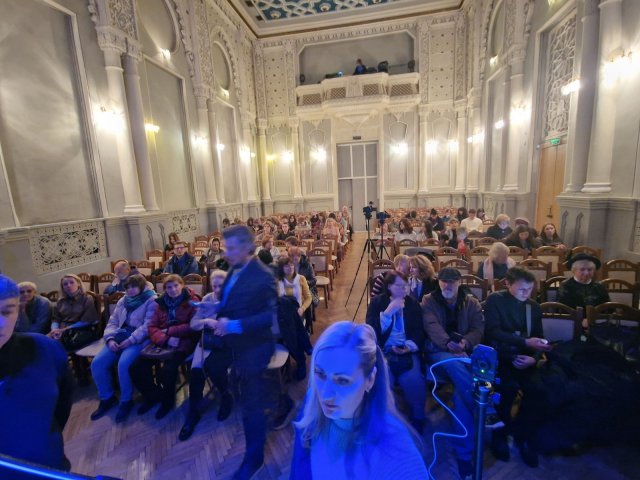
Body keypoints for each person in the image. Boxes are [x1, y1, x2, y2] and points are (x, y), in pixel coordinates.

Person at [289, 321, 428, 479]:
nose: (325, 395)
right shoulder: (311, 404)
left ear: (370, 380)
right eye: (320, 374)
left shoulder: (396, 453)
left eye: (342, 381)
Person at [207, 225, 286, 480]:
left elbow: (268, 318)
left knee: (252, 408)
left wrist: (232, 325)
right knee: (251, 394)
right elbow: (232, 302)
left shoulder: (264, 275)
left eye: (231, 248)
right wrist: (212, 310)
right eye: (225, 247)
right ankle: (285, 403)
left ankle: (254, 460)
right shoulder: (233, 267)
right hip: (237, 346)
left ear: (246, 247)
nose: (226, 252)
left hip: (256, 348)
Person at [0, 275, 73, 471]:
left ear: (18, 310)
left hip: (49, 464)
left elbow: (62, 404)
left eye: (6, 312)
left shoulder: (45, 349)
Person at [484, 267, 553, 468]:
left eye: (530, 289)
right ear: (508, 284)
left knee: (539, 391)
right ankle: (500, 434)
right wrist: (525, 342)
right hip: (503, 357)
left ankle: (523, 434)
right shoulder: (495, 300)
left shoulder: (533, 307)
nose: (527, 293)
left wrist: (534, 358)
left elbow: (540, 338)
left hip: (526, 358)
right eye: (522, 289)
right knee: (506, 390)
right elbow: (492, 332)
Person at [421, 267, 485, 479]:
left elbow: (477, 328)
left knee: (460, 396)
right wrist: (449, 344)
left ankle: (465, 454)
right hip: (439, 353)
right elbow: (431, 326)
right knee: (457, 364)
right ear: (439, 281)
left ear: (459, 282)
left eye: (452, 281)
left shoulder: (471, 302)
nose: (447, 285)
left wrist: (465, 342)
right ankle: (484, 407)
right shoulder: (429, 300)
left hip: (465, 354)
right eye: (443, 281)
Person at [129, 274, 199, 419]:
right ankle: (153, 396)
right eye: (169, 287)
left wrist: (170, 331)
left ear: (182, 285)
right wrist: (166, 338)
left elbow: (193, 326)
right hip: (162, 342)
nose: (173, 290)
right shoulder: (160, 303)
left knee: (167, 371)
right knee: (136, 368)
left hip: (183, 342)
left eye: (176, 285)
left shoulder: (192, 301)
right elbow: (152, 327)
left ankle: (167, 402)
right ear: (165, 289)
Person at [90, 274, 157, 423]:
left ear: (141, 286)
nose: (130, 290)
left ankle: (126, 400)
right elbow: (113, 322)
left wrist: (131, 340)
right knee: (97, 363)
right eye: (128, 287)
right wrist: (110, 339)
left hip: (139, 339)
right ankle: (107, 397)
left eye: (134, 286)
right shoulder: (123, 300)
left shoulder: (151, 300)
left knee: (123, 364)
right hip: (119, 337)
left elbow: (148, 326)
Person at [366, 271, 427, 432]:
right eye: (399, 286)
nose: (404, 289)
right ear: (389, 287)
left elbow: (419, 332)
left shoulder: (413, 304)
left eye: (406, 286)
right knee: (383, 379)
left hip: (406, 350)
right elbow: (371, 331)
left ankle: (418, 416)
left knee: (414, 380)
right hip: (383, 349)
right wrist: (387, 313)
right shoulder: (377, 303)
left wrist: (408, 346)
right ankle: (384, 418)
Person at [179, 270, 234, 441]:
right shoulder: (208, 299)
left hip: (228, 344)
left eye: (221, 286)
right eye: (214, 286)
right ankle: (193, 413)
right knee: (196, 372)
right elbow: (194, 324)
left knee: (215, 369)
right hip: (208, 342)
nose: (217, 289)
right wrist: (206, 321)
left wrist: (227, 327)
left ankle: (226, 395)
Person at [276, 256, 313, 380]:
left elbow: (308, 297)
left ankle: (300, 359)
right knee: (284, 302)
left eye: (292, 265)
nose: (290, 267)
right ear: (281, 268)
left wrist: (302, 308)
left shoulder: (301, 279)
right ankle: (304, 349)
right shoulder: (277, 282)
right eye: (287, 266)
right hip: (285, 316)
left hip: (299, 313)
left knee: (289, 333)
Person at [49, 274, 100, 352]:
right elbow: (55, 319)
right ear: (63, 287)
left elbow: (87, 320)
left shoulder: (87, 298)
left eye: (72, 282)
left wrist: (65, 329)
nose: (68, 285)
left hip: (81, 329)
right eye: (65, 284)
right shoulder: (60, 301)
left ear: (78, 283)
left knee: (58, 345)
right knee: (44, 342)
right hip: (62, 330)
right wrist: (55, 329)